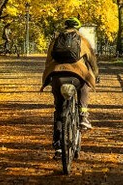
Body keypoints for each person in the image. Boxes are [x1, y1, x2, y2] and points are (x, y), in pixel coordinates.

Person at [41, 17, 98, 156]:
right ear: (78, 28)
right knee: (84, 86)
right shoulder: (82, 40)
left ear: (65, 27)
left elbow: (48, 60)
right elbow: (92, 60)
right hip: (77, 76)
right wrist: (95, 75)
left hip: (57, 76)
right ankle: (83, 115)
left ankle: (59, 146)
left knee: (59, 110)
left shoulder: (55, 39)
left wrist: (50, 76)